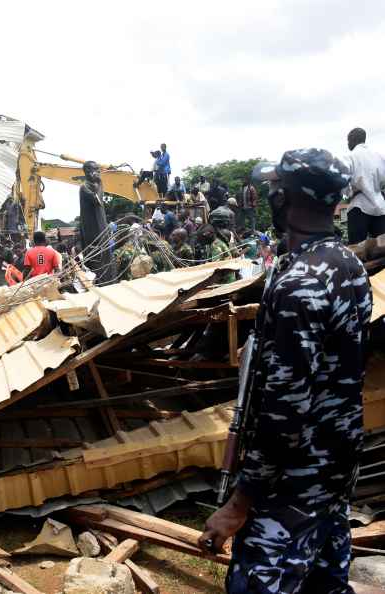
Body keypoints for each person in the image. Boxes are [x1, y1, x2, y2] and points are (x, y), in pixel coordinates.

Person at [200, 149, 367, 593]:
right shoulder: (346, 265)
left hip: (291, 479)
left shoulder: (299, 285)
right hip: (335, 466)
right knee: (325, 583)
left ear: (283, 200)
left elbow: (285, 412)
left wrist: (239, 503)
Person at [345, 127, 385, 244]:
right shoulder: (380, 157)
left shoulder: (350, 157)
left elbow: (344, 183)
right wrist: (375, 188)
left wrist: (349, 192)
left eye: (348, 141)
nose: (348, 144)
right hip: (379, 207)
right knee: (383, 247)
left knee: (356, 248)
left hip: (358, 206)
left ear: (352, 140)